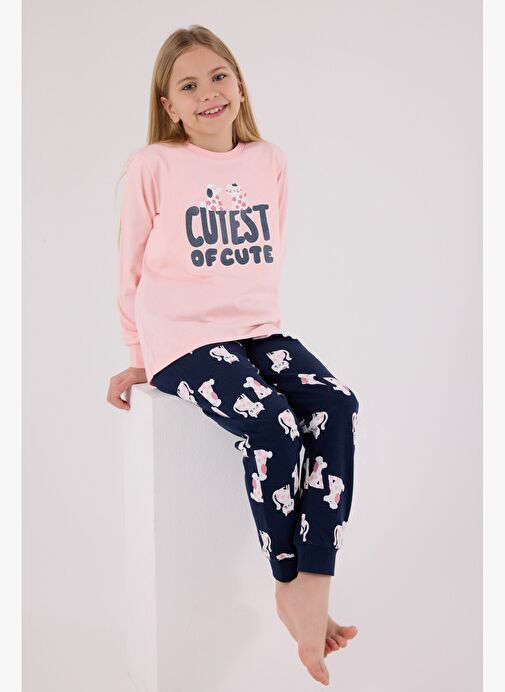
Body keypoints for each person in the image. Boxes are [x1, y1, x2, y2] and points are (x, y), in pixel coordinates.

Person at [106, 24, 359, 686]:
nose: (208, 93)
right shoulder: (153, 166)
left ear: (239, 85)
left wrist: (257, 334)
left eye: (218, 76)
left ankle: (315, 577)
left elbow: (268, 256)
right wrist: (141, 354)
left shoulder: (269, 161)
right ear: (169, 106)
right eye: (188, 86)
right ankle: (288, 580)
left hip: (257, 331)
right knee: (273, 423)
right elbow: (129, 267)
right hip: (184, 341)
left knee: (335, 405)